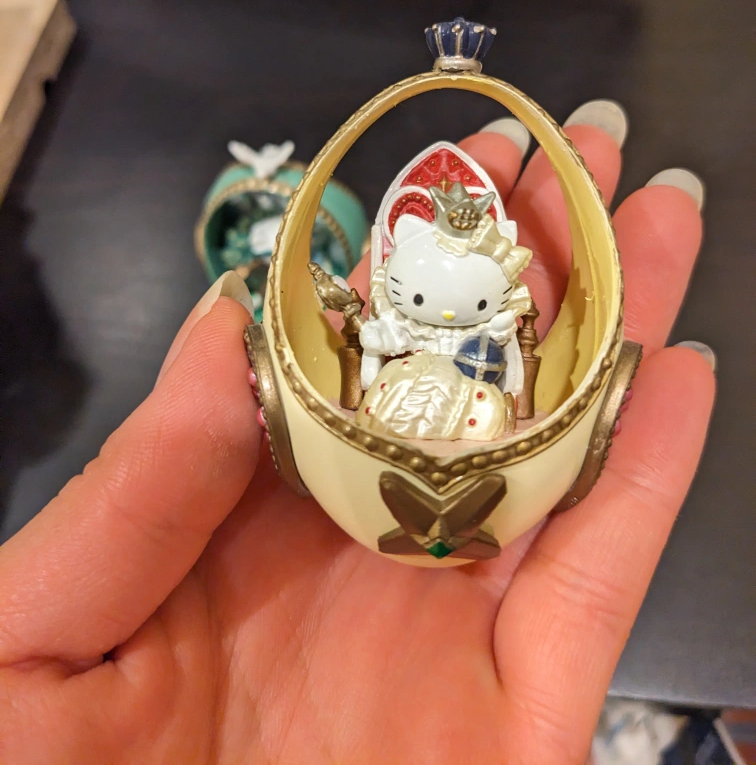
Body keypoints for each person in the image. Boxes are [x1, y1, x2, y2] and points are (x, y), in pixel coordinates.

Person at [0, 101, 715, 765]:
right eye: (420, 293)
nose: (440, 310)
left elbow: (514, 373)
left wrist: (505, 380)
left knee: (482, 412)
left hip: (474, 411)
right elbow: (376, 352)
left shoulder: (498, 330)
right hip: (396, 409)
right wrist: (373, 352)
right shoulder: (396, 326)